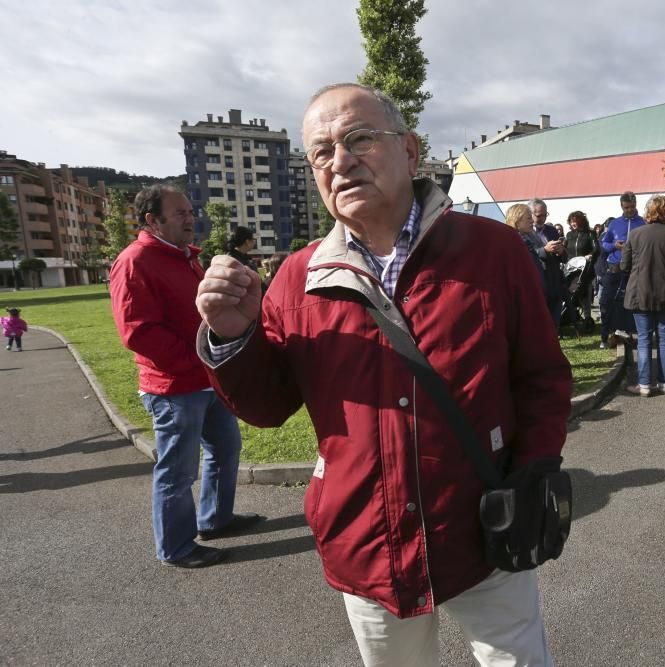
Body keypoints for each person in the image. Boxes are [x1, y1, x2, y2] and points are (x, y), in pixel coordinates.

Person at [195, 83, 571, 665]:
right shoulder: (297, 279)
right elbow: (267, 408)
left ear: (411, 151)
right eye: (321, 153)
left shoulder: (491, 251)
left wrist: (533, 471)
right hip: (368, 544)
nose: (339, 161)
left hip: (485, 530)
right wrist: (231, 336)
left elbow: (542, 377)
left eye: (359, 139)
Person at [109, 184, 259, 568]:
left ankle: (215, 519)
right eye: (180, 213)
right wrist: (196, 361)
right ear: (152, 220)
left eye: (190, 212)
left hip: (206, 380)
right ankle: (176, 547)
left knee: (225, 450)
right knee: (177, 471)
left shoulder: (186, 258)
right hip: (173, 387)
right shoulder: (135, 261)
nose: (190, 219)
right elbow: (138, 332)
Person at [620, 196, 665, 396]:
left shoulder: (636, 234)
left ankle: (644, 385)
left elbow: (625, 266)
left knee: (644, 339)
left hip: (640, 292)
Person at [599, 192, 645, 348]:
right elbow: (604, 244)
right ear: (621, 206)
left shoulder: (643, 223)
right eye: (626, 207)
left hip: (634, 269)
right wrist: (614, 246)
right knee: (608, 301)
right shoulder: (614, 224)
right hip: (615, 267)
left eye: (632, 207)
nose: (630, 210)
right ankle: (607, 336)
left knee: (631, 303)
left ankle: (629, 334)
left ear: (636, 204)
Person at [529, 198, 567, 331]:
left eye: (545, 215)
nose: (543, 218)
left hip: (554, 278)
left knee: (554, 315)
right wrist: (544, 250)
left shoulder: (551, 230)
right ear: (531, 214)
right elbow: (527, 253)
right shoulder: (525, 232)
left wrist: (561, 251)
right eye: (539, 216)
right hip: (537, 279)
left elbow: (562, 256)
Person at [564, 210, 598, 330]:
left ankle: (588, 319)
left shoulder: (590, 234)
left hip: (585, 270)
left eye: (576, 221)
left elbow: (596, 249)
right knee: (571, 294)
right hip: (571, 269)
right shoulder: (569, 235)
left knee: (585, 295)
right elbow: (565, 249)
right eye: (571, 221)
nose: (573, 223)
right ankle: (572, 318)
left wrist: (590, 256)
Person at [505, 202, 546, 282]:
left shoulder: (530, 237)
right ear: (517, 220)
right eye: (528, 218)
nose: (532, 221)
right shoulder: (512, 243)